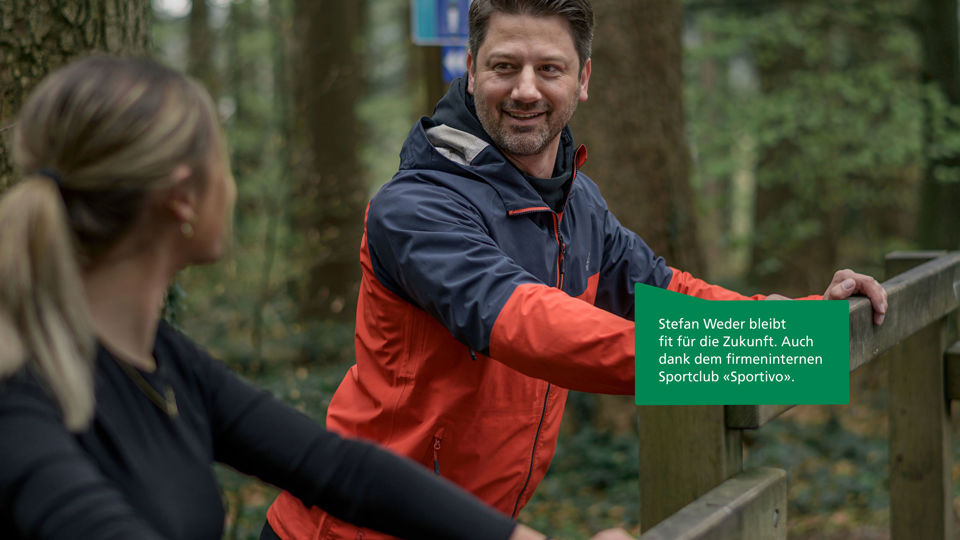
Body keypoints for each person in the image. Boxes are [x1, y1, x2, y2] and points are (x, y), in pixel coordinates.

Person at [265, 0, 890, 538]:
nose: (527, 90)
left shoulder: (577, 201)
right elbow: (532, 327)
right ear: (472, 69)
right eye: (505, 66)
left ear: (583, 78)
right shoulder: (415, 208)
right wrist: (761, 353)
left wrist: (809, 321)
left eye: (550, 69)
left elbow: (665, 290)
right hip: (349, 528)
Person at [0, 54, 609, 540]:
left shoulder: (160, 360)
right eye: (224, 159)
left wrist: (706, 356)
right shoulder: (20, 403)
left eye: (550, 68)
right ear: (183, 199)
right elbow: (527, 325)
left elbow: (338, 467)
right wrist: (697, 361)